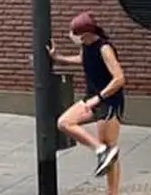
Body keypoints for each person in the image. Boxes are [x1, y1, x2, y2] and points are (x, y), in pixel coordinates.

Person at [48, 11, 126, 192]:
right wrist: (59, 58)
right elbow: (83, 59)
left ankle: (112, 192)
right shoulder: (86, 46)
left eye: (75, 34)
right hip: (91, 98)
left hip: (109, 102)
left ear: (85, 34)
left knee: (110, 149)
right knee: (64, 122)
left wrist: (99, 98)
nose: (72, 37)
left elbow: (119, 78)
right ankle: (100, 150)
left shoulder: (104, 48)